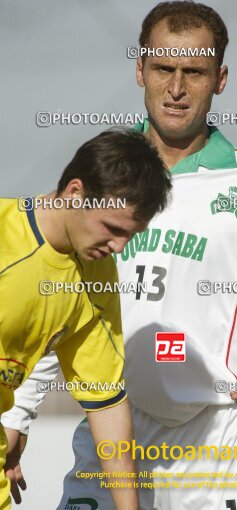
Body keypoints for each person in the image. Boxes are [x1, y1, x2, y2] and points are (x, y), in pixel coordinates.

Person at [2, 2, 237, 509]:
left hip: (215, 443)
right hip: (110, 429)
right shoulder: (102, 170)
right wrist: (19, 413)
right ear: (139, 69)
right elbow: (58, 307)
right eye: (163, 68)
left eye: (193, 72)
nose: (176, 88)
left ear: (220, 79)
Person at [0, 129, 171, 510]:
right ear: (75, 193)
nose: (119, 247)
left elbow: (106, 402)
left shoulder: (98, 276)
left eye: (131, 235)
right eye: (112, 229)